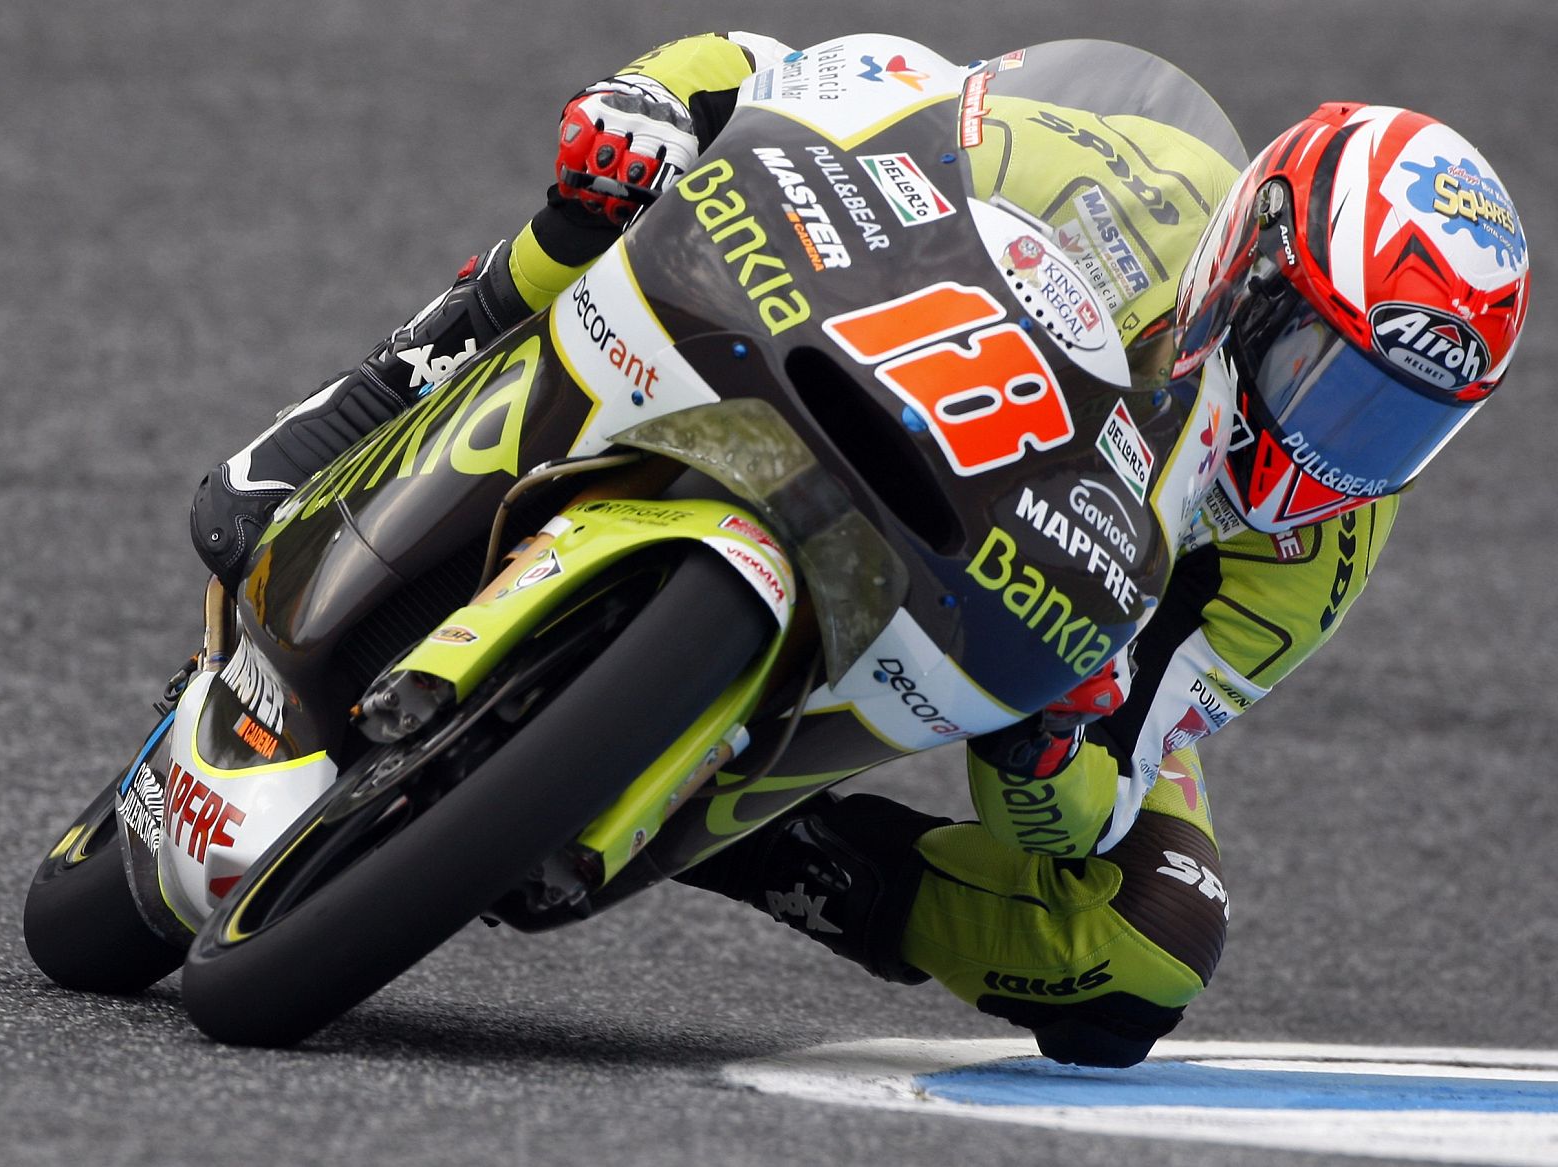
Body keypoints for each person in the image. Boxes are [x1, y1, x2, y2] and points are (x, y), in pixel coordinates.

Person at [187, 33, 1531, 1067]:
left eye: (1400, 423)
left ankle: (762, 837)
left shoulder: (1309, 560)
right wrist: (666, 104)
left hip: (1034, 601)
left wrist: (1059, 743)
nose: (1334, 449)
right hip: (860, 356)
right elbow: (834, 80)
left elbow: (1104, 796)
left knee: (1146, 949)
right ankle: (384, 394)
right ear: (1256, 266)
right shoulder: (1131, 175)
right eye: (1322, 373)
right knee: (616, 182)